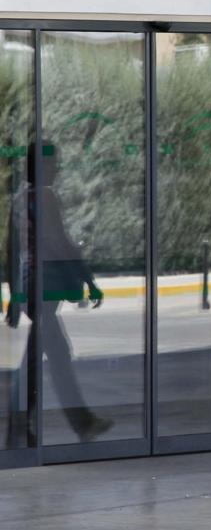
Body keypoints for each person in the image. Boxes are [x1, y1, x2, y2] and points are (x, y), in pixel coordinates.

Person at [6, 144, 112, 445]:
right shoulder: (45, 197)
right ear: (38, 166)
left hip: (30, 284)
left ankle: (28, 422)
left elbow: (11, 250)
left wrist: (15, 295)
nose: (57, 168)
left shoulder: (20, 199)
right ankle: (76, 423)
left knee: (43, 355)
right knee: (53, 356)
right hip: (44, 284)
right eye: (52, 162)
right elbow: (59, 241)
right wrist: (88, 279)